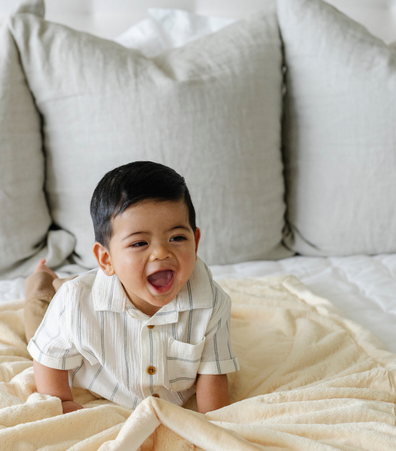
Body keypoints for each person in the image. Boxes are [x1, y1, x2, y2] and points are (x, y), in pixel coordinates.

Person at [25, 161, 239, 414]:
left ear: (196, 242)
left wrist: (213, 424)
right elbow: (49, 357)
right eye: (139, 243)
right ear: (106, 259)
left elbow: (212, 374)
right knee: (44, 307)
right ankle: (42, 277)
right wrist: (62, 401)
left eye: (177, 238)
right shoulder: (75, 304)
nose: (161, 253)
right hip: (93, 357)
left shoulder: (212, 302)